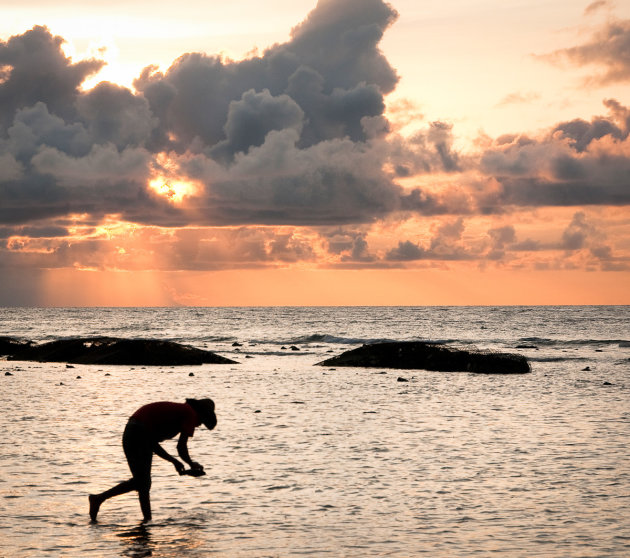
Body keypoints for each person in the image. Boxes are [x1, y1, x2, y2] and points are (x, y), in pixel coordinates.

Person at [89, 398, 217, 522]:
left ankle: (146, 521)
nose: (199, 425)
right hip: (137, 432)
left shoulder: (183, 411)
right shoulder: (189, 413)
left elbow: (152, 443)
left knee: (143, 482)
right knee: (142, 481)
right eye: (201, 422)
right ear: (201, 414)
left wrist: (175, 461)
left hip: (135, 431)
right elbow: (181, 447)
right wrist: (189, 463)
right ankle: (99, 499)